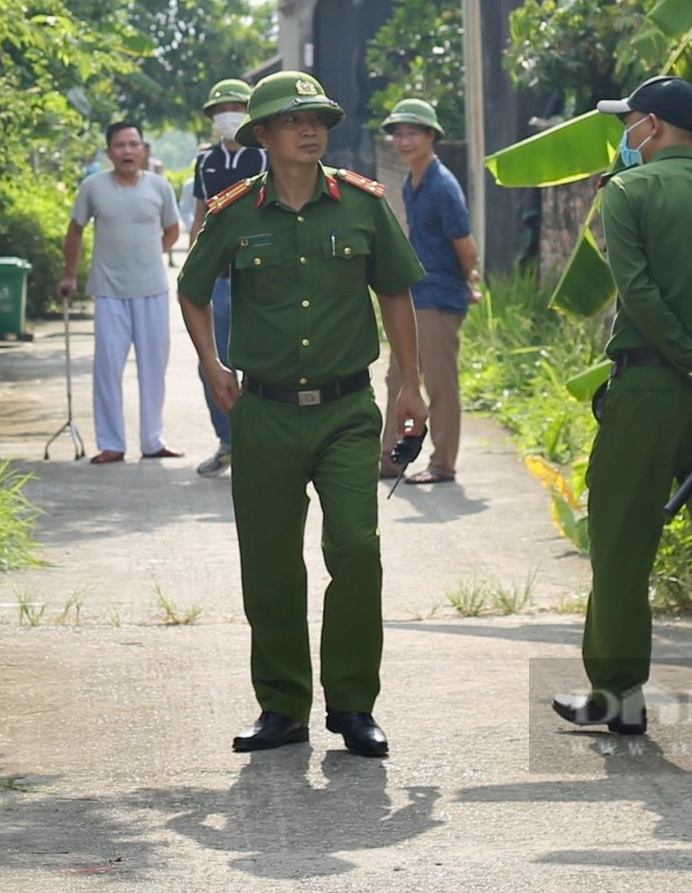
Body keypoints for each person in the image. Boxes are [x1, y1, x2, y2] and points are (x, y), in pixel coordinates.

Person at [176, 71, 428, 759]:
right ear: (262, 135)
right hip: (265, 413)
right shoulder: (234, 213)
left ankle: (351, 704)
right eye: (293, 120)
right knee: (270, 563)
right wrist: (211, 362)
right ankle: (282, 705)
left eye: (317, 117)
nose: (310, 129)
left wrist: (409, 384)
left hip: (348, 409)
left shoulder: (362, 204)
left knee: (356, 547)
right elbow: (192, 290)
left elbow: (398, 292)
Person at [551, 75, 692, 747]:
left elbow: (640, 295)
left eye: (630, 122)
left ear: (651, 126)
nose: (625, 134)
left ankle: (619, 698)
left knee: (622, 544)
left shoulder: (626, 192)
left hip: (651, 392)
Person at [60, 122, 183, 464]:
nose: (127, 151)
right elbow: (75, 230)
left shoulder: (159, 187)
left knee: (154, 368)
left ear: (144, 149)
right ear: (108, 152)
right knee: (107, 370)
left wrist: (149, 253)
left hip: (152, 290)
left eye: (134, 144)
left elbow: (173, 230)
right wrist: (69, 275)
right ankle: (112, 443)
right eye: (120, 145)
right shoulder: (93, 187)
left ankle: (153, 440)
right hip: (109, 291)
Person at [376, 98, 480, 486]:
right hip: (414, 294)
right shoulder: (411, 180)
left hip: (439, 298)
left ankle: (442, 464)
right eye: (399, 134)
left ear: (431, 136)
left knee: (439, 384)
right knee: (398, 379)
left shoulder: (441, 185)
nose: (403, 141)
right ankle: (391, 458)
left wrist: (469, 280)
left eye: (412, 133)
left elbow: (464, 245)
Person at [187, 78, 267, 477]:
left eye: (234, 107)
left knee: (259, 359)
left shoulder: (264, 158)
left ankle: (260, 442)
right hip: (217, 277)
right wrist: (192, 265)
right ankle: (228, 441)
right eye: (219, 110)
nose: (226, 116)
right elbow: (201, 215)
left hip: (256, 275)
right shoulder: (205, 162)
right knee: (213, 362)